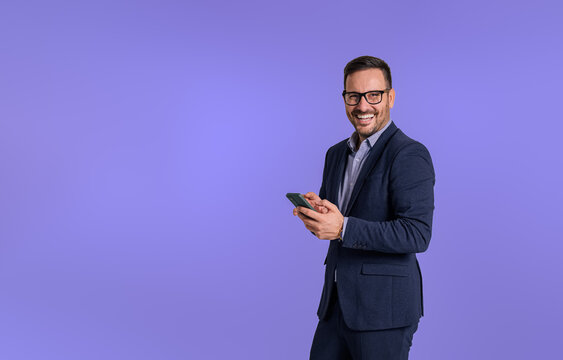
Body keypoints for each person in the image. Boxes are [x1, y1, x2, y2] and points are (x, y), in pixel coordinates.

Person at [293, 56, 435, 360]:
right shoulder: (335, 154)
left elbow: (417, 234)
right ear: (344, 98)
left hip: (384, 311)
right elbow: (340, 215)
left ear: (391, 97)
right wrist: (318, 213)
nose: (363, 105)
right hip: (335, 306)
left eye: (374, 95)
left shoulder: (409, 154)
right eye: (353, 96)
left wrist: (343, 228)